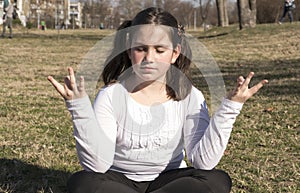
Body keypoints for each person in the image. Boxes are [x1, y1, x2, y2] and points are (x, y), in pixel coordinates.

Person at [48, 7, 268, 193]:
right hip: (118, 180)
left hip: (170, 179)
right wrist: (78, 107)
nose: (149, 58)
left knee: (217, 180)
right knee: (83, 182)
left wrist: (230, 107)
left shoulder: (190, 96)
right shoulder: (111, 96)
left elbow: (203, 162)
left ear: (174, 53)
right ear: (129, 50)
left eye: (159, 50)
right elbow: (97, 165)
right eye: (141, 49)